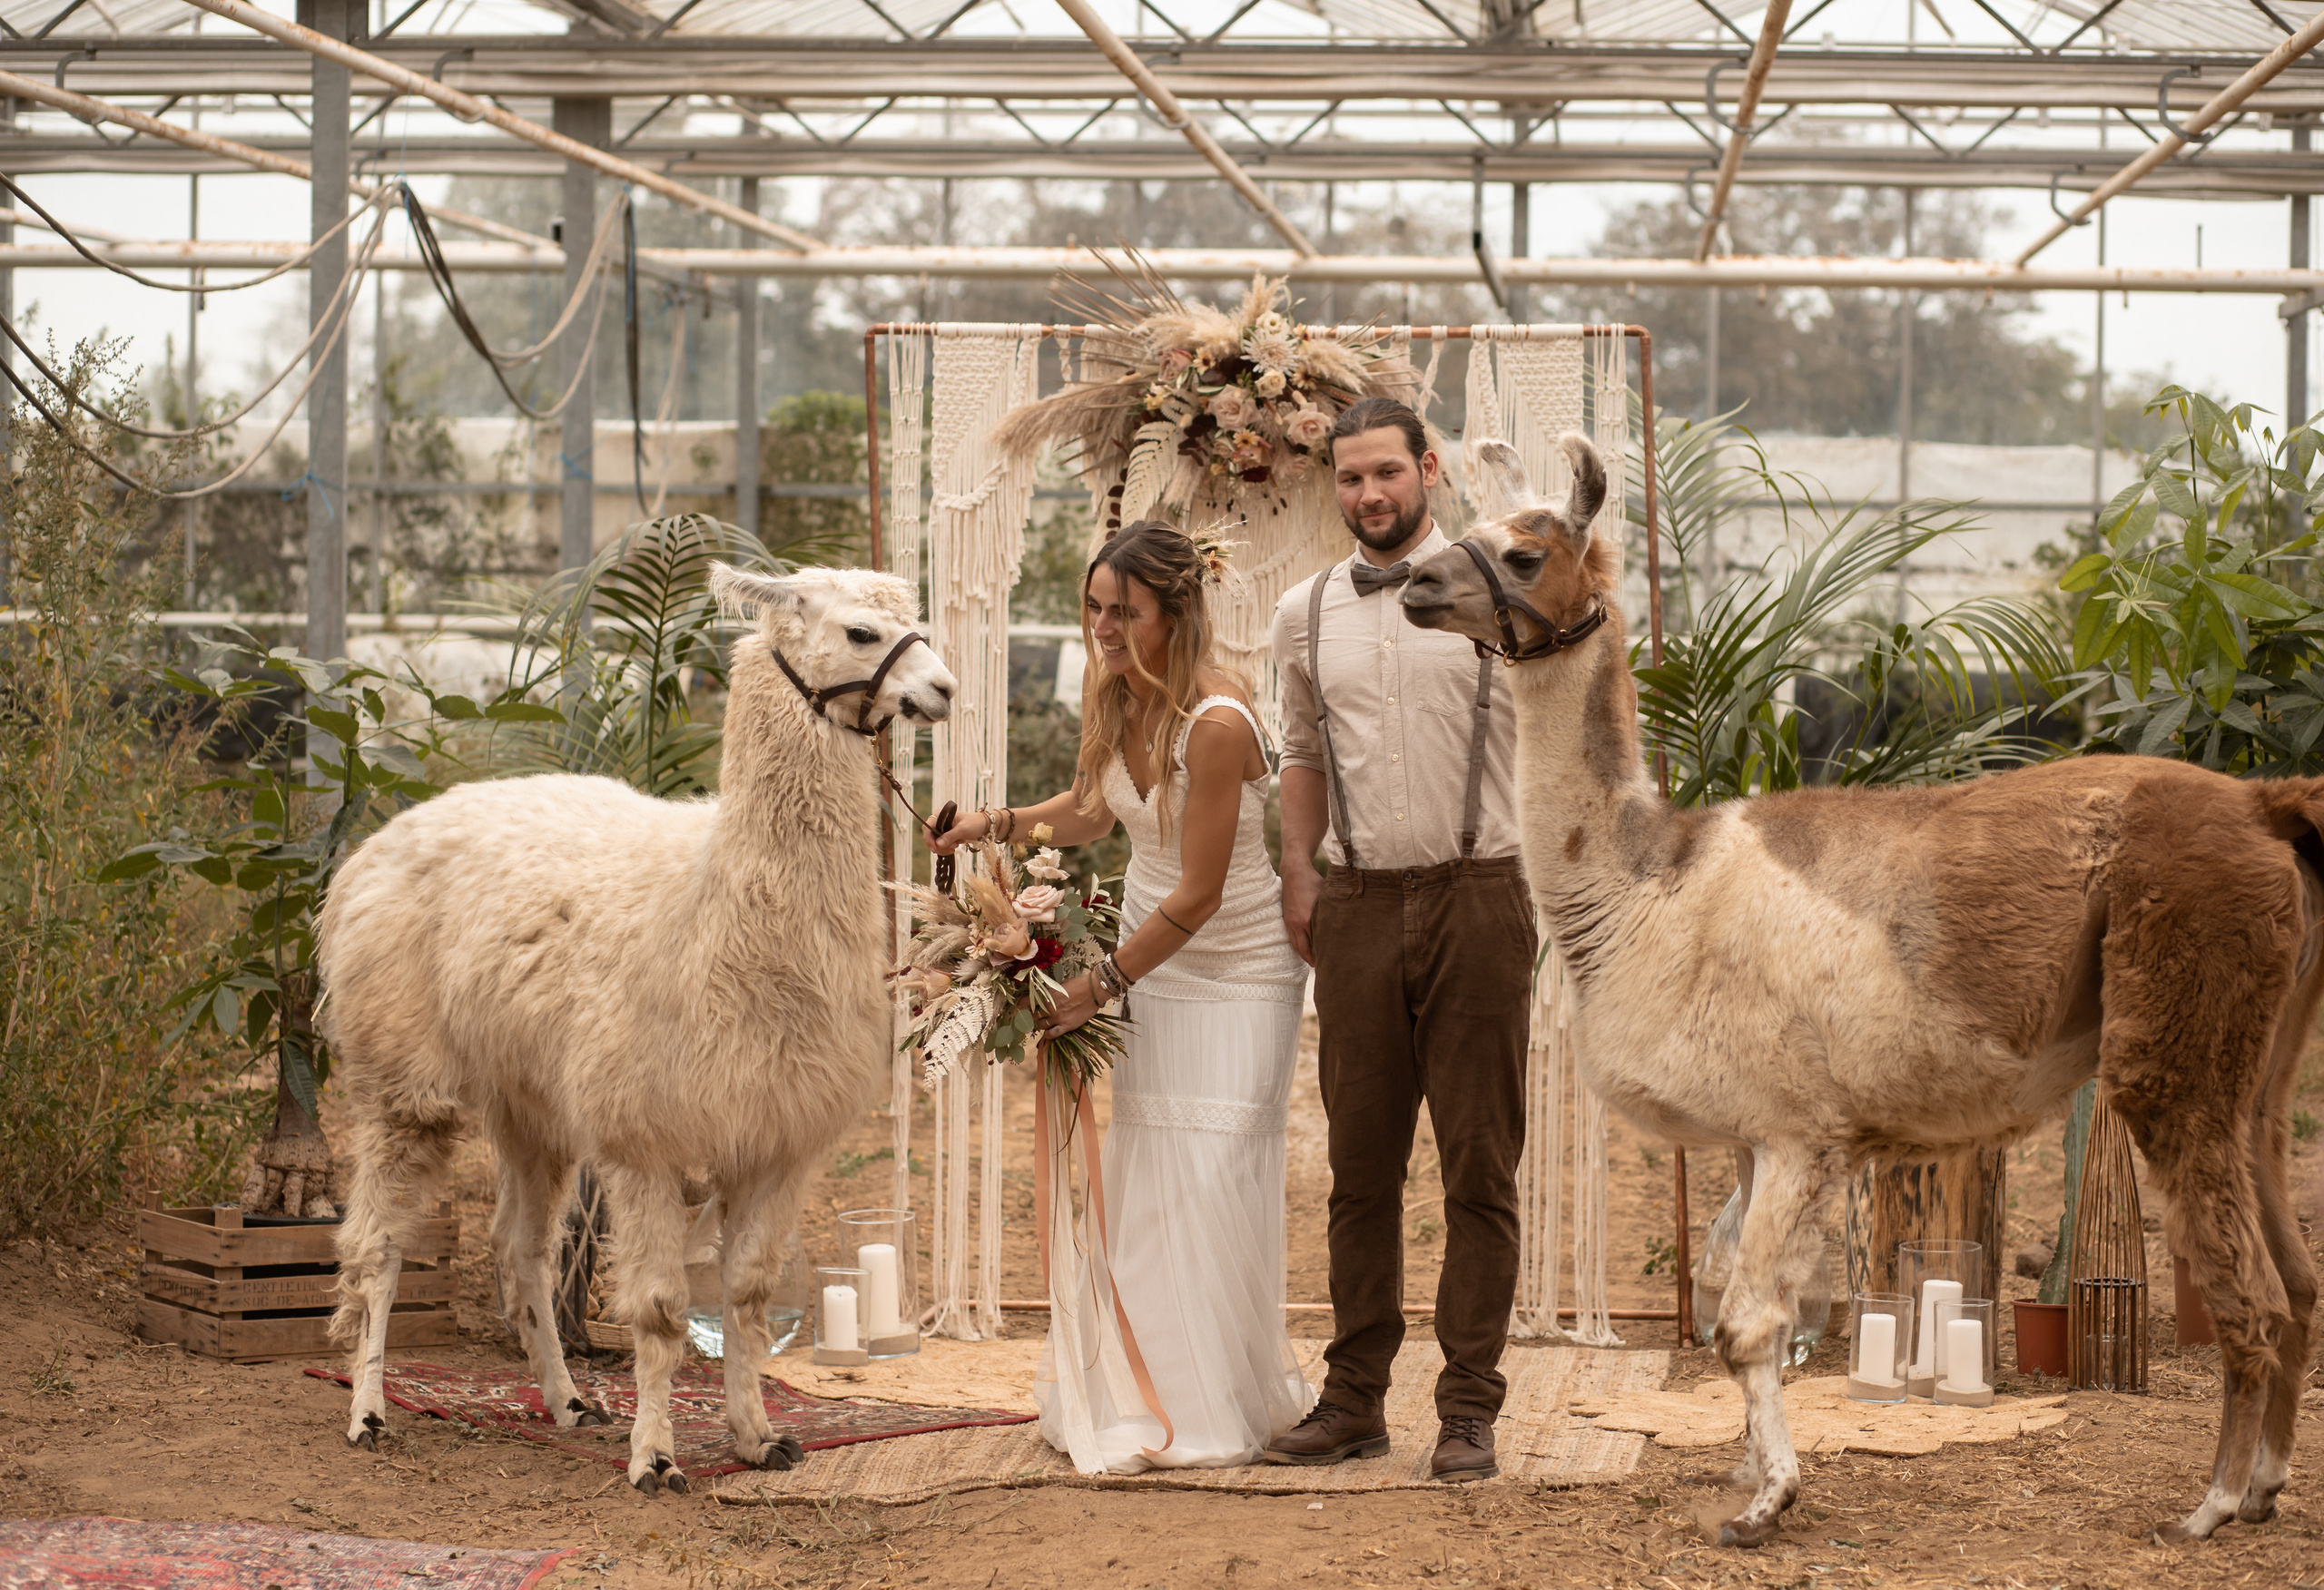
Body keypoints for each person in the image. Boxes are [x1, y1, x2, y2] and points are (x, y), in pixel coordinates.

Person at [931, 520, 1313, 1474]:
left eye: (1125, 612)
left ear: (1174, 614)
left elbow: (1202, 891)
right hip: (1152, 959)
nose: (1103, 627)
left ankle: (1220, 1404)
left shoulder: (1216, 724)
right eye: (1095, 607)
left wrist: (1100, 983)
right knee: (1151, 1176)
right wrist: (990, 824)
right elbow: (1093, 810)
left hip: (1234, 971)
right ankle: (1151, 1397)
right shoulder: (1115, 692)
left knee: (1212, 1173)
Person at [1264, 396, 1535, 1483]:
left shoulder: (1499, 586)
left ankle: (1467, 1407)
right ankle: (1353, 1401)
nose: (1368, 494)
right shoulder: (1303, 613)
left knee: (1479, 1166)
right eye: (1349, 478)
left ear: (1430, 469)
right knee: (1359, 1171)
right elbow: (1300, 750)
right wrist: (1299, 869)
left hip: (1481, 892)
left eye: (1386, 472)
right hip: (1359, 902)